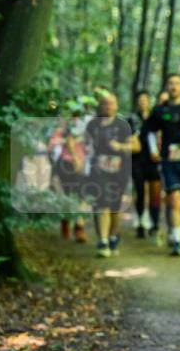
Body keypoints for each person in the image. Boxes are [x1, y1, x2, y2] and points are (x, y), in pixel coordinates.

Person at [147, 75, 180, 256]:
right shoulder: (160, 110)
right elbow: (151, 132)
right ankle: (176, 240)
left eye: (177, 83)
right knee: (174, 199)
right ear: (166, 87)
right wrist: (154, 150)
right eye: (170, 83)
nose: (174, 86)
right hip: (168, 161)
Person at [85, 91, 139, 257]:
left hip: (119, 171)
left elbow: (137, 147)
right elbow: (85, 144)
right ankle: (103, 241)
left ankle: (113, 235)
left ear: (116, 106)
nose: (108, 106)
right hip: (97, 170)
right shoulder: (92, 124)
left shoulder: (123, 125)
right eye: (105, 103)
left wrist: (120, 147)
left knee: (114, 206)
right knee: (101, 203)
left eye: (111, 103)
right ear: (100, 106)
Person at [49, 104, 90, 243]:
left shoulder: (85, 126)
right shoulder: (62, 127)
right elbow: (52, 143)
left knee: (82, 196)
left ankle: (79, 227)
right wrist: (73, 153)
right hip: (66, 164)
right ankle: (66, 220)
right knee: (68, 194)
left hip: (83, 164)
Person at [129, 90, 163, 241]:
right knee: (140, 192)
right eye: (140, 99)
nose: (143, 102)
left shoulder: (156, 117)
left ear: (149, 101)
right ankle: (141, 222)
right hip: (137, 160)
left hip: (154, 161)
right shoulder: (132, 119)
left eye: (145, 99)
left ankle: (155, 223)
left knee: (155, 193)